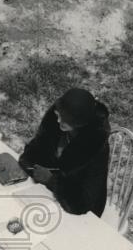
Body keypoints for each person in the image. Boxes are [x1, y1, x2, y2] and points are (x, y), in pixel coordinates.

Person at [18, 87, 111, 216]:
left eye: (65, 120)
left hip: (80, 211)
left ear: (80, 122)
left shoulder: (96, 146)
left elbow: (83, 202)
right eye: (58, 115)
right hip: (44, 195)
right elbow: (31, 153)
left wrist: (51, 180)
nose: (58, 121)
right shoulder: (55, 123)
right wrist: (33, 167)